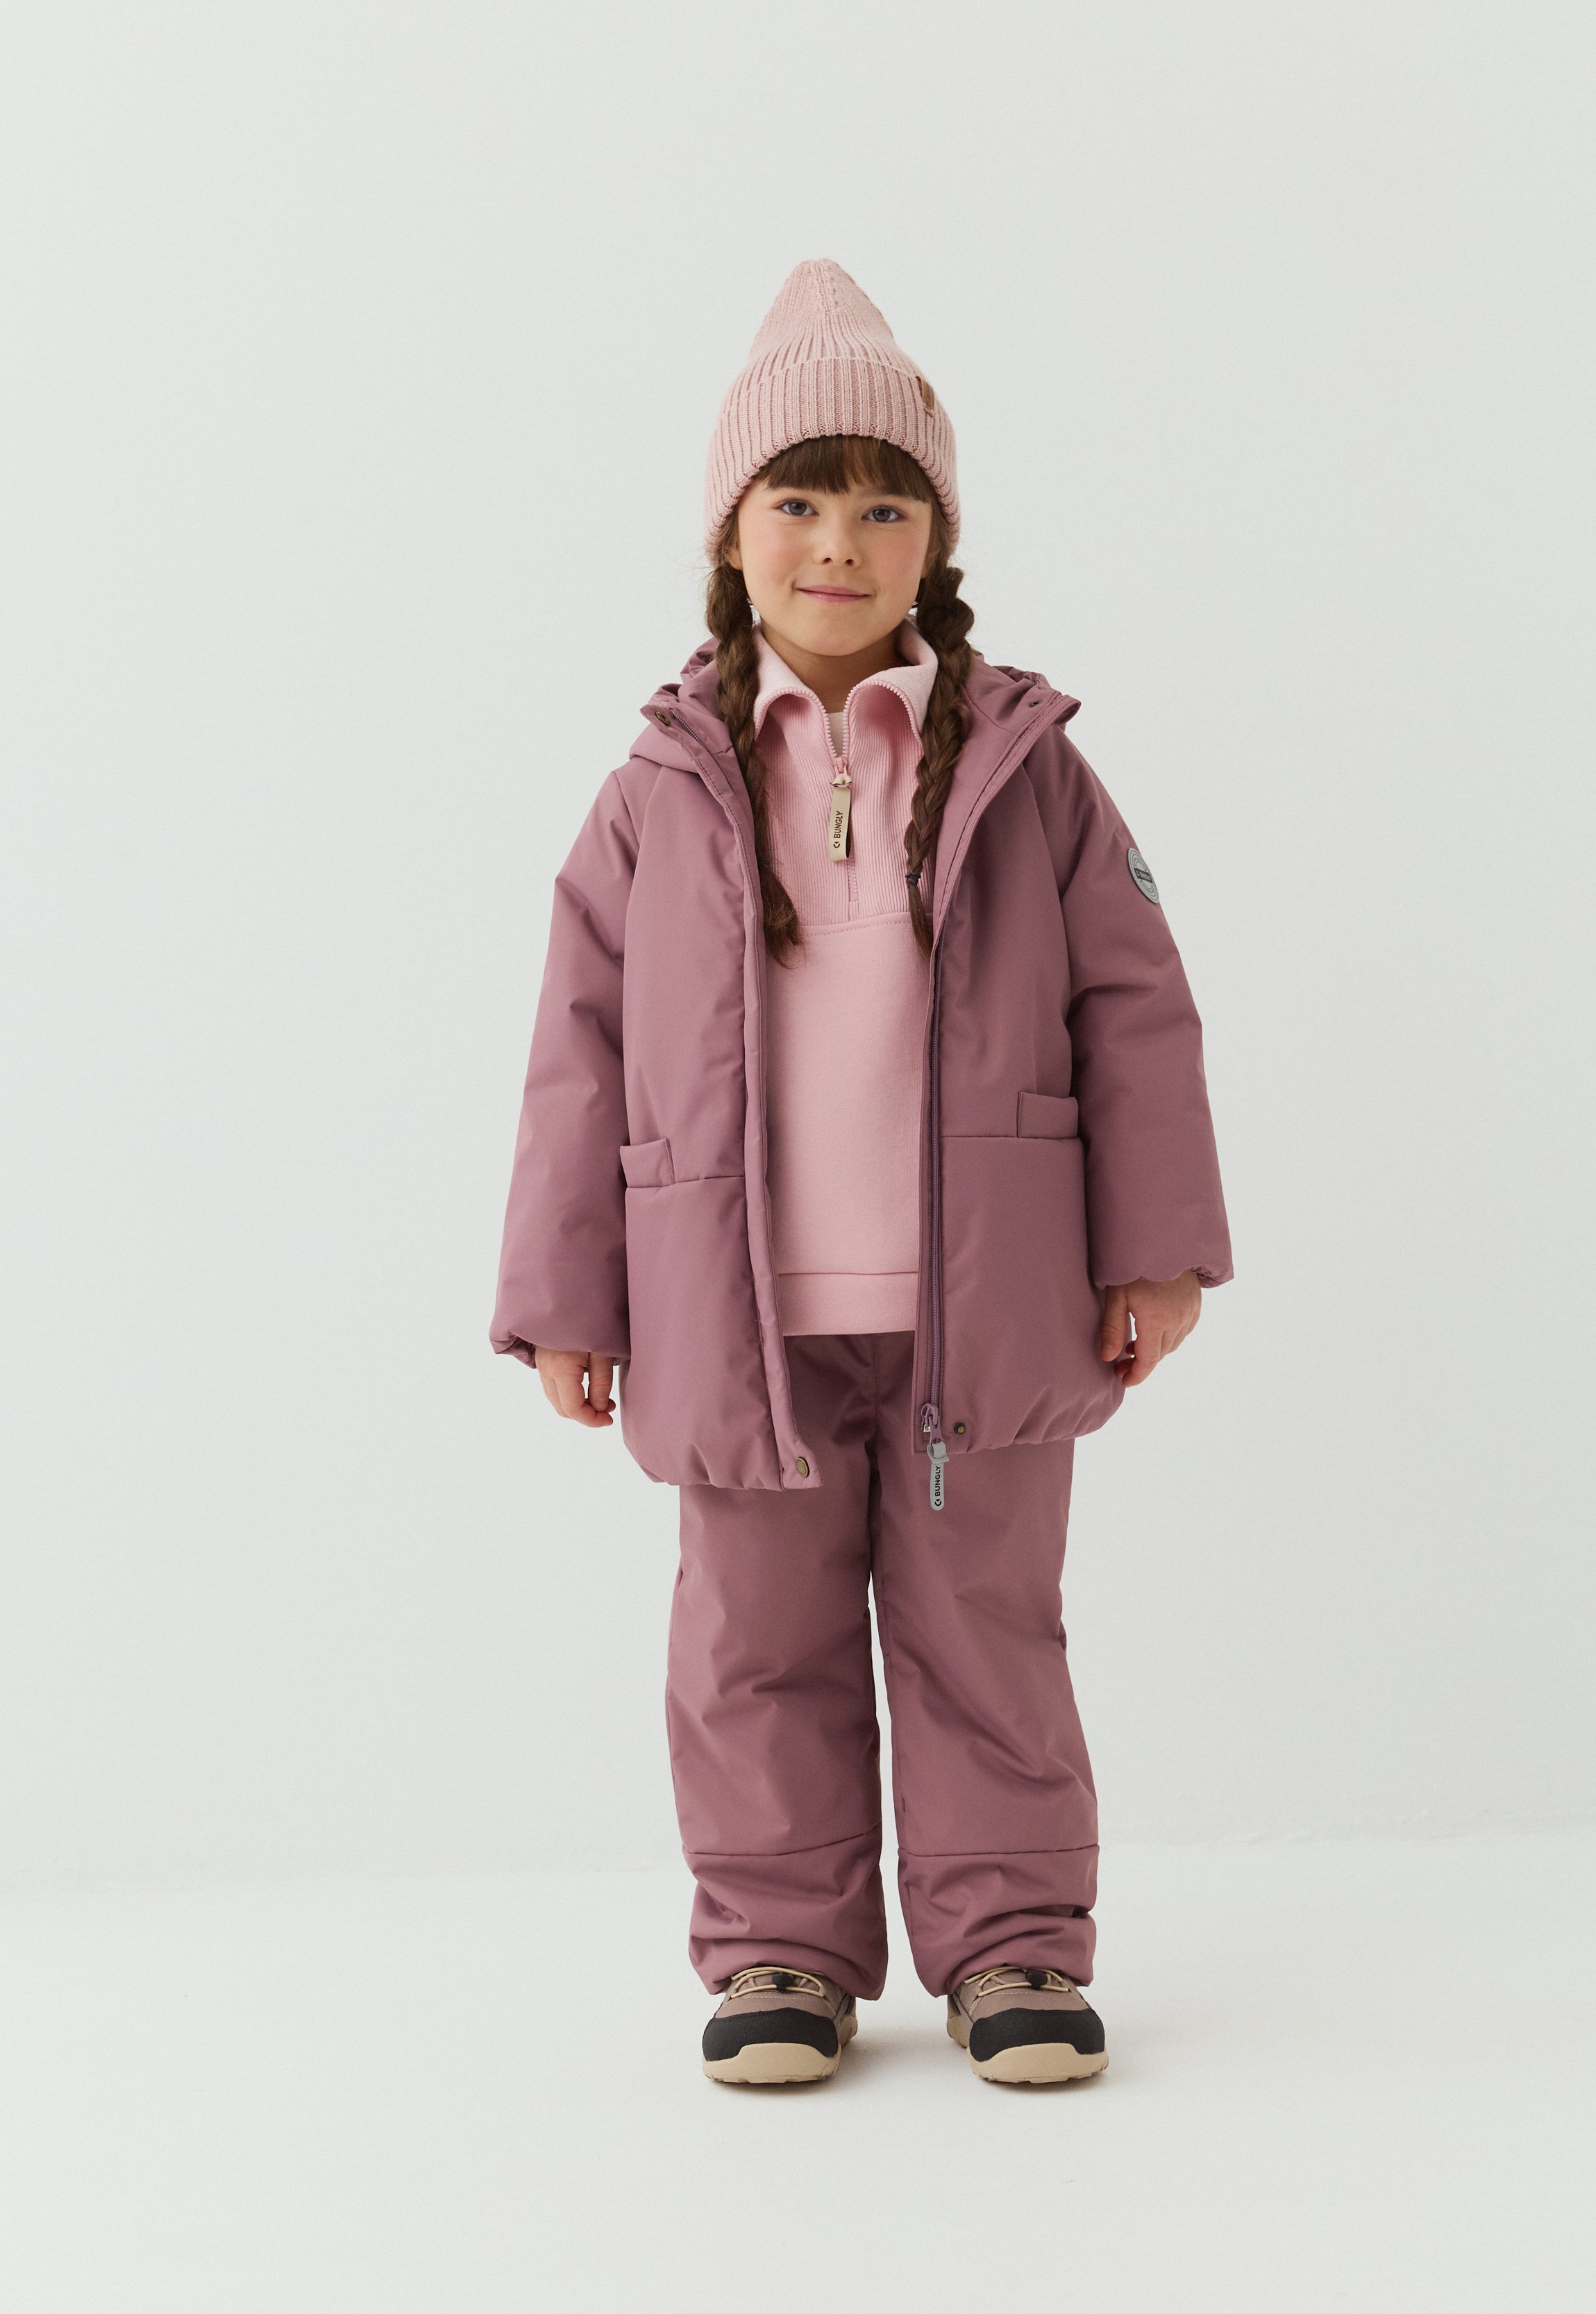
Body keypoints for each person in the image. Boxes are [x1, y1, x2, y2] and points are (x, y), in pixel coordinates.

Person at [489, 259, 1232, 2088]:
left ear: (936, 543)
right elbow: (577, 1054)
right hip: (732, 1312)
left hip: (991, 1304)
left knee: (987, 1632)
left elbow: (1137, 1009)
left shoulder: (1029, 773)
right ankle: (779, 1952)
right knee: (754, 1645)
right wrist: (566, 1299)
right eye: (800, 500)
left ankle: (1012, 1946)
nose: (841, 540)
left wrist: (1155, 1248)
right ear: (731, 535)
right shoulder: (656, 792)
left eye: (886, 506)